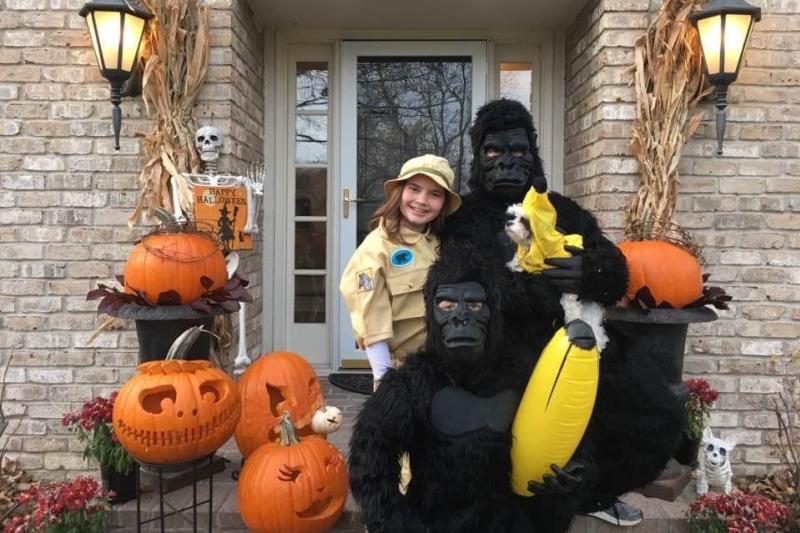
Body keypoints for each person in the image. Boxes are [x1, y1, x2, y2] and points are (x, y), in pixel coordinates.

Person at [339, 154, 462, 388]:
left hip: (447, 368)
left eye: (434, 194)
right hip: (405, 375)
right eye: (414, 189)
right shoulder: (376, 249)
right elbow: (371, 323)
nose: (422, 200)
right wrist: (385, 381)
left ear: (443, 203)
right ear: (400, 192)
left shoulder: (443, 242)